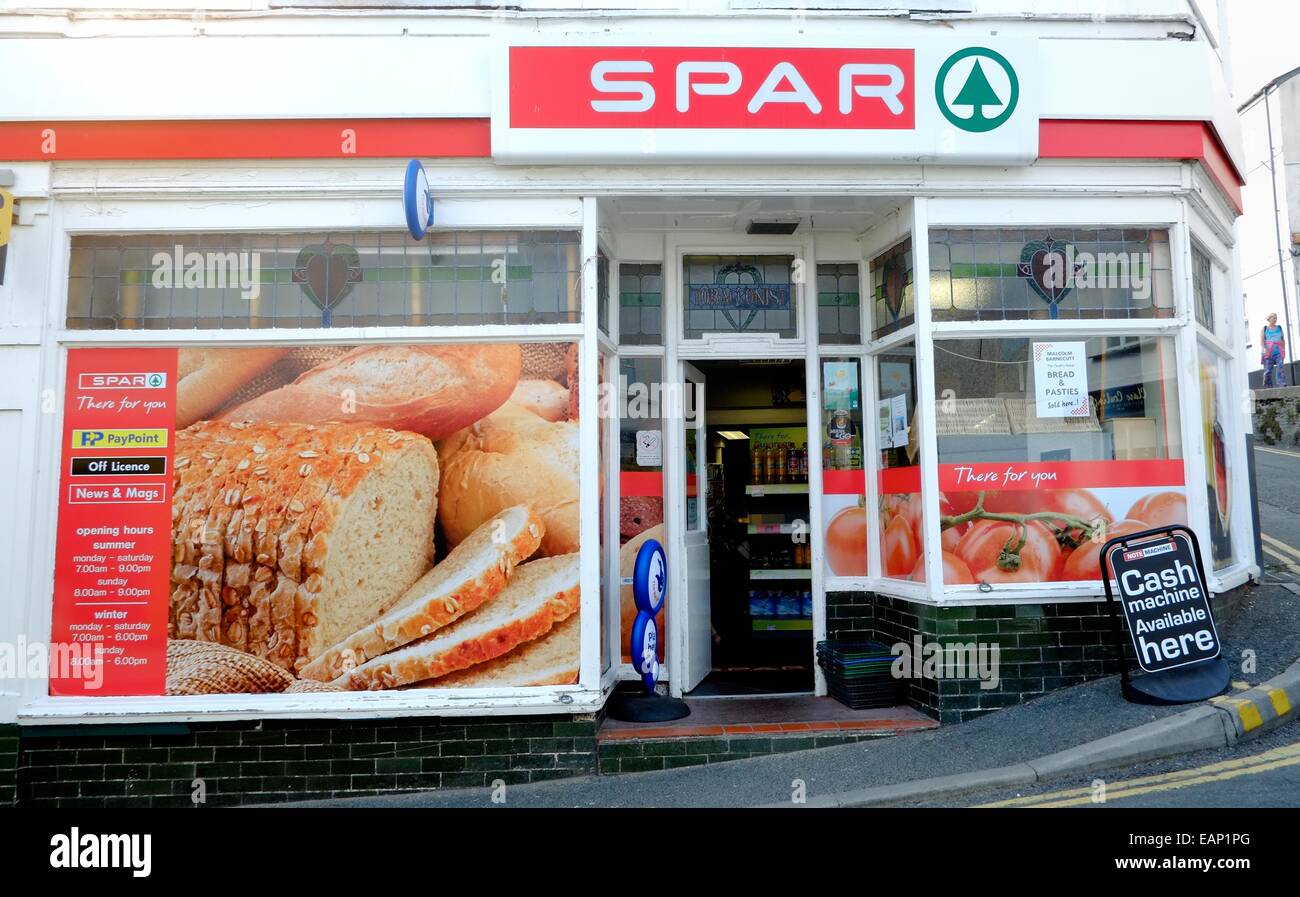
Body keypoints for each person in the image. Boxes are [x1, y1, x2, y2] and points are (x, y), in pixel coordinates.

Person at [1262, 313, 1287, 388]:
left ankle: (1281, 383)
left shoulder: (1279, 327)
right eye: (1273, 318)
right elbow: (1262, 341)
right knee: (1268, 371)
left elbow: (1282, 339)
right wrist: (1264, 350)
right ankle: (1267, 384)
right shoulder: (1265, 328)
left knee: (1280, 367)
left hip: (1279, 351)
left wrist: (1283, 350)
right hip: (1269, 352)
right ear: (1269, 319)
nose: (1275, 319)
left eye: (1276, 318)